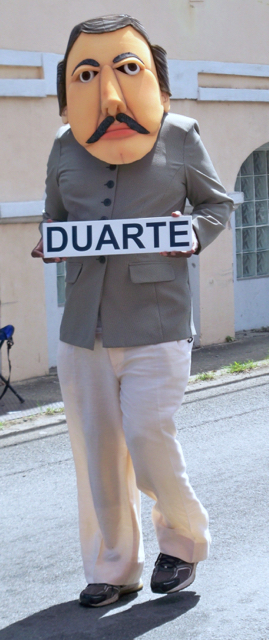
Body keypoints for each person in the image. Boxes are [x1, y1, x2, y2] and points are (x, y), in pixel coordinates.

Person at [32, 14, 233, 607]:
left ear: (155, 84)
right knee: (97, 452)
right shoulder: (64, 147)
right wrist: (50, 240)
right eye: (87, 75)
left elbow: (217, 205)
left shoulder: (180, 135)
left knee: (149, 437)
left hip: (158, 320)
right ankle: (113, 568)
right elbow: (55, 218)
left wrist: (191, 233)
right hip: (83, 327)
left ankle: (183, 543)